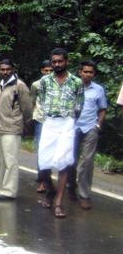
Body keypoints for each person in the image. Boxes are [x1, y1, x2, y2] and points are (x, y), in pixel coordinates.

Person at [37, 48, 84, 218]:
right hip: (50, 122)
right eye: (54, 62)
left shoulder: (76, 82)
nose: (57, 64)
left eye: (60, 61)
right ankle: (50, 191)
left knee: (63, 163)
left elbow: (79, 105)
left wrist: (70, 121)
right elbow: (41, 100)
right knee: (43, 164)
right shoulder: (45, 81)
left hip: (67, 123)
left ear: (67, 62)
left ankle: (58, 203)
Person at [0, 59, 32, 201]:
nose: (5, 72)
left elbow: (27, 108)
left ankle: (8, 191)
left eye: (8, 69)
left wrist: (27, 126)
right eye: (2, 69)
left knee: (10, 162)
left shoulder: (20, 86)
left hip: (12, 128)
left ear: (13, 69)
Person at [67, 60, 107, 210]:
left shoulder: (98, 90)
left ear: (93, 74)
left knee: (87, 162)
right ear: (80, 72)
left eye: (91, 72)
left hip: (91, 128)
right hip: (73, 128)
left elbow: (103, 109)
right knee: (70, 160)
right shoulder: (72, 87)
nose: (88, 74)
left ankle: (84, 195)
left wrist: (98, 125)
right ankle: (71, 187)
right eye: (85, 71)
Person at [30, 60, 54, 193]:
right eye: (46, 70)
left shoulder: (57, 84)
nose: (48, 73)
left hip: (53, 121)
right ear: (42, 71)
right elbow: (33, 100)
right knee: (41, 149)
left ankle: (46, 177)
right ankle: (42, 178)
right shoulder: (36, 85)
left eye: (51, 71)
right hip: (40, 119)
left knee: (51, 149)